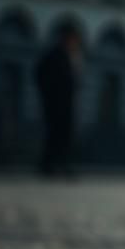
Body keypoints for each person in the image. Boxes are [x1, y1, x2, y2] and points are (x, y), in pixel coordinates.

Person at [35, 23, 83, 176]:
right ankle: (49, 165)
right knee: (54, 134)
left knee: (65, 135)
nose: (74, 42)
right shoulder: (55, 54)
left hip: (67, 103)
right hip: (56, 103)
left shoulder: (72, 55)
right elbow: (40, 74)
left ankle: (61, 164)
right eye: (72, 39)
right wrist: (48, 94)